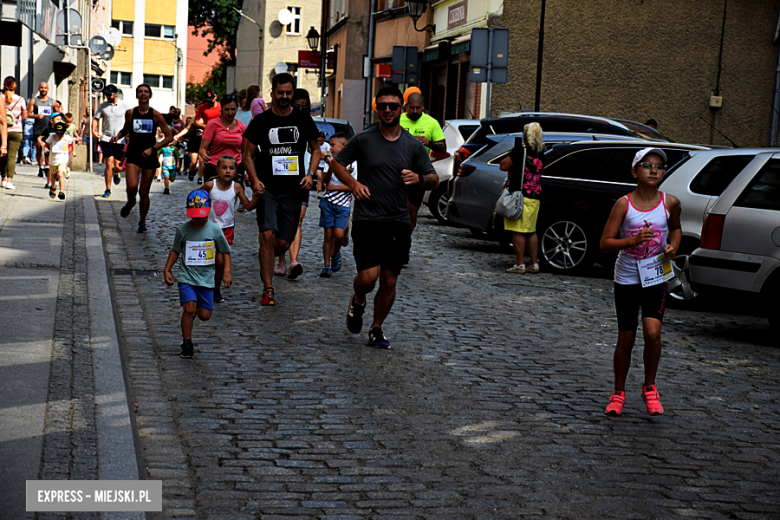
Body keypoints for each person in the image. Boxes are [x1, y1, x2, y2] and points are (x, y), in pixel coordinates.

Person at [329, 86, 438, 349]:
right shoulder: (364, 139)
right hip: (367, 219)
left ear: (401, 108)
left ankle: (376, 329)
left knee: (389, 279)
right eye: (383, 106)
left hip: (398, 222)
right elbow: (336, 163)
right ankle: (358, 299)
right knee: (368, 278)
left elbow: (434, 179)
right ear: (377, 108)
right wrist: (354, 184)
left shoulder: (412, 146)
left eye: (393, 105)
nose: (388, 110)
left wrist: (419, 178)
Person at [599, 147, 681, 416]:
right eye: (647, 165)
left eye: (659, 166)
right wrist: (632, 241)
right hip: (627, 277)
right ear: (635, 171)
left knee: (653, 333)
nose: (654, 170)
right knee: (627, 337)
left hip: (656, 275)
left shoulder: (670, 203)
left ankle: (649, 387)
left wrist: (673, 246)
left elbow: (676, 230)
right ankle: (618, 392)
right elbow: (605, 244)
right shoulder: (624, 204)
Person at [242, 73, 320, 305]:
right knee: (267, 235)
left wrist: (311, 174)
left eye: (288, 92)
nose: (284, 96)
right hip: (267, 188)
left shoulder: (303, 119)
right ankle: (268, 289)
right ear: (273, 93)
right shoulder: (262, 121)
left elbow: (315, 149)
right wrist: (255, 180)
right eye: (280, 92)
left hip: (294, 189)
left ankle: (266, 255)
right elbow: (247, 154)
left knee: (283, 243)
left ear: (292, 93)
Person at [163, 189, 232, 359]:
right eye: (195, 216)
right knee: (189, 309)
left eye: (202, 216)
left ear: (208, 212)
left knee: (204, 315)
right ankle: (187, 343)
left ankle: (190, 320)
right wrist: (167, 269)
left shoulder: (215, 230)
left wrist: (226, 272)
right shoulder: (183, 230)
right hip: (187, 278)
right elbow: (175, 251)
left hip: (206, 280)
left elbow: (225, 251)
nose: (198, 219)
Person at [110, 84, 173, 233]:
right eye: (140, 92)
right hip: (133, 153)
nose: (143, 94)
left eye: (146, 92)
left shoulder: (156, 115)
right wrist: (117, 136)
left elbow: (169, 136)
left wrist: (154, 148)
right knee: (131, 187)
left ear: (149, 96)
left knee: (144, 191)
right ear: (137, 95)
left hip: (149, 155)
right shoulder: (130, 113)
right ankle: (131, 201)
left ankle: (142, 222)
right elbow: (126, 128)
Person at [203, 155, 258, 302]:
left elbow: (248, 206)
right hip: (208, 228)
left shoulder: (237, 187)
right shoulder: (210, 185)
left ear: (236, 171)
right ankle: (204, 286)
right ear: (218, 169)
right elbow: (197, 198)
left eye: (231, 168)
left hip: (226, 229)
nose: (228, 171)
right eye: (224, 168)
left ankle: (216, 288)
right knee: (206, 260)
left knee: (220, 261)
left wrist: (257, 196)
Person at [274, 88, 316, 279]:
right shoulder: (278, 121)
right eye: (297, 105)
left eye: (304, 106)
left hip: (302, 177)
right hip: (280, 178)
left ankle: (293, 261)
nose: (300, 109)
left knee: (297, 219)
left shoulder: (308, 123)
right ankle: (281, 260)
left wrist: (311, 173)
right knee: (280, 219)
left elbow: (316, 149)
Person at [499, 123, 544, 274]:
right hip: (535, 195)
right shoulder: (540, 152)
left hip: (520, 195)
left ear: (526, 135)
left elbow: (503, 166)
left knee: (517, 231)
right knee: (531, 230)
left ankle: (520, 263)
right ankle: (534, 263)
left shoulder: (520, 151)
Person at [399, 92, 444, 235]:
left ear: (423, 106)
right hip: (397, 168)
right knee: (395, 209)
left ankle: (405, 240)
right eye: (411, 108)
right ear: (405, 107)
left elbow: (443, 148)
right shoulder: (397, 120)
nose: (415, 111)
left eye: (418, 108)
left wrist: (429, 143)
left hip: (418, 171)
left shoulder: (431, 122)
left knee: (411, 212)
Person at [318, 132, 356, 277]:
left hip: (343, 204)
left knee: (339, 235)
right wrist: (330, 167)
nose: (330, 148)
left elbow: (354, 186)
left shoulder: (354, 163)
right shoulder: (333, 161)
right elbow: (326, 182)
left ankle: (335, 253)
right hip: (328, 202)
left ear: (344, 145)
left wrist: (335, 187)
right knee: (328, 235)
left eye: (333, 145)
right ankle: (326, 265)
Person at [174, 89, 221, 184]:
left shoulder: (221, 106)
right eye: (207, 100)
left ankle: (202, 178)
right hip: (199, 139)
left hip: (217, 137)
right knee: (195, 162)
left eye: (211, 99)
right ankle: (193, 171)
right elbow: (192, 125)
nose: (209, 102)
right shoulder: (203, 108)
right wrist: (207, 126)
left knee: (205, 160)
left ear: (215, 97)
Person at [93, 85, 130, 197]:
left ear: (115, 94)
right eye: (106, 95)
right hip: (106, 138)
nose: (107, 97)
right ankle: (108, 189)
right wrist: (93, 130)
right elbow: (96, 119)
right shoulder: (103, 106)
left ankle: (116, 172)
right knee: (108, 163)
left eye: (109, 95)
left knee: (117, 166)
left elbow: (130, 121)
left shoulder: (124, 106)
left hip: (120, 140)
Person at [199, 94, 246, 184]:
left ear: (237, 108)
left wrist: (246, 170)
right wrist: (204, 155)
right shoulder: (212, 124)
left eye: (233, 109)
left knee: (233, 195)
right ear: (222, 109)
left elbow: (245, 153)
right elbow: (202, 148)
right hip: (215, 167)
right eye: (227, 109)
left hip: (234, 168)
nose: (230, 113)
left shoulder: (242, 127)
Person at [1, 77, 26, 190]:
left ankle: (3, 179)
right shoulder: (20, 99)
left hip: (2, 131)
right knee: (11, 157)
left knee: (2, 156)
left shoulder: (1, 98)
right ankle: (9, 181)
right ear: (15, 86)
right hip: (16, 130)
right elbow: (24, 117)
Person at [27, 82, 54, 178]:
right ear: (38, 88)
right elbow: (28, 114)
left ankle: (48, 167)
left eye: (45, 88)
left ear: (48, 89)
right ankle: (41, 167)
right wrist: (36, 116)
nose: (43, 89)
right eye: (42, 88)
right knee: (39, 150)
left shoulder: (52, 101)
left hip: (49, 129)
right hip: (38, 129)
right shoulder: (34, 101)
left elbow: (58, 113)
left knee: (49, 150)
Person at [45, 121, 72, 200]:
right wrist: (46, 148)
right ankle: (53, 187)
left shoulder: (66, 137)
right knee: (53, 176)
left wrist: (73, 151)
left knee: (60, 175)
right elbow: (46, 143)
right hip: (53, 160)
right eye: (58, 133)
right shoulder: (52, 136)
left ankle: (62, 191)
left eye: (61, 133)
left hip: (62, 159)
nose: (59, 135)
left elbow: (72, 141)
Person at [314, 131, 331, 197]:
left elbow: (329, 153)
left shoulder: (326, 145)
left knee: (324, 178)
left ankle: (327, 190)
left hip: (325, 165)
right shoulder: (316, 146)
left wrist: (326, 156)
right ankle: (319, 191)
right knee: (319, 177)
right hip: (318, 164)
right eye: (319, 141)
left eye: (322, 141)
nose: (320, 142)